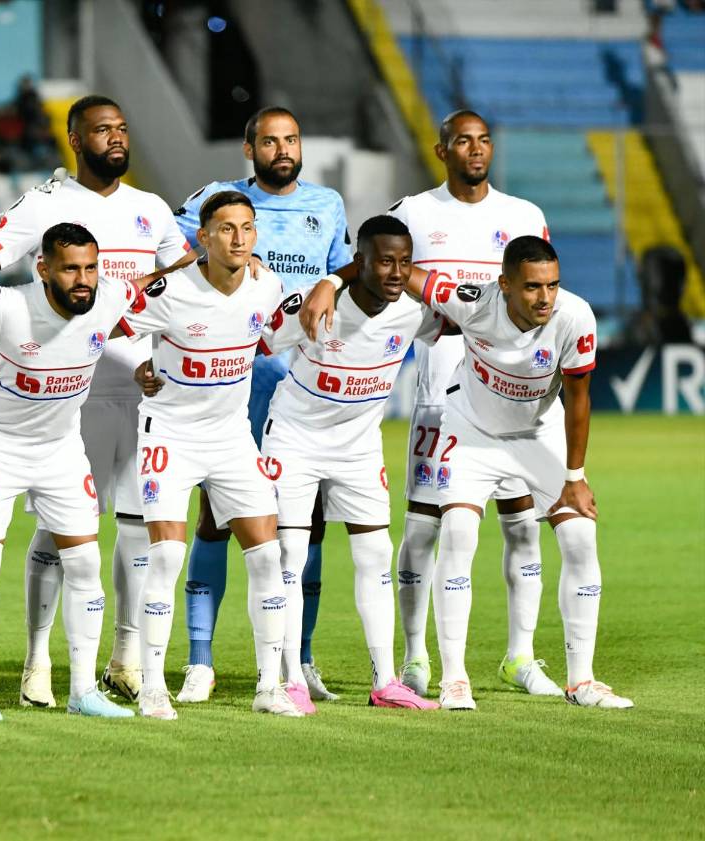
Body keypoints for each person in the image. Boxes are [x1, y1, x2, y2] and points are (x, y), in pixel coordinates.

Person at [304, 236, 634, 710]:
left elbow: (578, 398)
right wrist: (333, 280)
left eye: (553, 285)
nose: (545, 297)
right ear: (504, 286)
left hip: (537, 433)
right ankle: (454, 679)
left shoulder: (575, 316)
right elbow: (397, 271)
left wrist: (574, 476)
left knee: (580, 537)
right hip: (472, 432)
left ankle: (582, 680)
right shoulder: (473, 302)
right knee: (458, 532)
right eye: (533, 287)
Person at [0, 95, 193, 707]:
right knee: (55, 538)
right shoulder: (45, 204)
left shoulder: (152, 209)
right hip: (67, 401)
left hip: (147, 398)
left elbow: (180, 285)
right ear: (73, 137)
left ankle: (125, 657)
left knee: (135, 529)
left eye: (121, 128)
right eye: (101, 130)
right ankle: (38, 661)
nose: (116, 138)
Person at [169, 106, 351, 704]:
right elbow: (169, 261)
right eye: (269, 141)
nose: (282, 149)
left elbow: (335, 281)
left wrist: (331, 284)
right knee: (216, 518)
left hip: (302, 387)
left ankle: (298, 660)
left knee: (308, 522)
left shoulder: (326, 206)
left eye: (291, 139)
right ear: (249, 149)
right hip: (233, 383)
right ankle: (201, 660)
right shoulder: (217, 203)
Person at [384, 110, 558, 698]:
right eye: (464, 141)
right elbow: (389, 271)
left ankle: (521, 657)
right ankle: (415, 658)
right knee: (425, 531)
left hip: (514, 400)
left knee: (523, 530)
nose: (476, 150)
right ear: (442, 150)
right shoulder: (415, 213)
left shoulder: (523, 216)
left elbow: (542, 299)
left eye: (484, 141)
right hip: (441, 396)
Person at [0, 223, 139, 722]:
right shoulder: (4, 305)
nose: (84, 279)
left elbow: (166, 288)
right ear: (43, 268)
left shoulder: (112, 296)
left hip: (61, 450)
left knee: (87, 565)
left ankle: (82, 690)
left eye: (91, 267)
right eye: (70, 268)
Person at [117, 190, 297, 720]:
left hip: (231, 438)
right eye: (226, 229)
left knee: (269, 556)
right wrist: (138, 367)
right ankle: (153, 687)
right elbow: (112, 329)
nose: (238, 238)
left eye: (247, 228)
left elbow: (272, 338)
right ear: (203, 237)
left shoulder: (268, 286)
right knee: (167, 555)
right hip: (169, 434)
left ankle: (270, 687)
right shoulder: (170, 291)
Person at [259, 216, 442, 712]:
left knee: (375, 556)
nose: (397, 272)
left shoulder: (412, 313)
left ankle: (386, 682)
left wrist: (333, 276)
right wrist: (328, 283)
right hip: (295, 438)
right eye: (385, 260)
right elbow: (251, 343)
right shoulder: (312, 306)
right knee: (290, 557)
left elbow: (463, 317)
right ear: (359, 260)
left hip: (359, 446)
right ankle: (290, 678)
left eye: (405, 262)